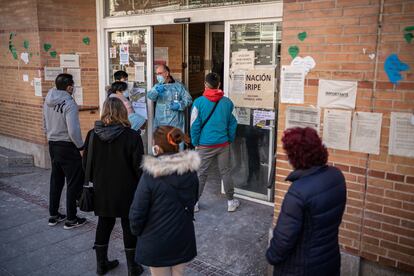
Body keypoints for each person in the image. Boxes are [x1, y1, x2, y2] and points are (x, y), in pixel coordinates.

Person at [266, 127, 347, 276]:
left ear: (295, 156)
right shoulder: (337, 176)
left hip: (300, 268)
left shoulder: (298, 192)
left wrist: (271, 256)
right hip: (330, 261)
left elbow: (284, 239)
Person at [83, 97, 145, 275]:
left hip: (102, 189)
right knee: (128, 225)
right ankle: (133, 266)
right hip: (127, 189)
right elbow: (139, 167)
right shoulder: (132, 136)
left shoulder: (92, 135)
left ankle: (101, 264)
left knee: (104, 223)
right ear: (123, 112)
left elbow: (85, 163)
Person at [129, 126, 199, 276]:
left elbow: (137, 211)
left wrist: (137, 231)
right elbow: (193, 198)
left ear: (157, 147)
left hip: (156, 241)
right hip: (182, 236)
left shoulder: (150, 175)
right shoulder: (191, 171)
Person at [190, 72, 239, 212]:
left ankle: (194, 203)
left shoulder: (198, 102)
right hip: (223, 144)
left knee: (201, 174)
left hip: (204, 145)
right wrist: (229, 139)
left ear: (205, 85)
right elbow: (233, 123)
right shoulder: (228, 102)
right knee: (226, 172)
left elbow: (194, 125)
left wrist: (195, 142)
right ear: (219, 85)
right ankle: (230, 202)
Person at [43, 73, 86, 229]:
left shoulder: (48, 100)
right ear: (69, 87)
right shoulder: (70, 103)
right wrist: (81, 146)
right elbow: (73, 130)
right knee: (73, 182)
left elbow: (44, 123)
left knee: (56, 180)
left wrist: (49, 137)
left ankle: (53, 215)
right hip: (67, 146)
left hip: (53, 144)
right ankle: (71, 219)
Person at [147, 65, 192, 132]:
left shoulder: (179, 86)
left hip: (175, 123)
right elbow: (150, 96)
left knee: (176, 141)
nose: (158, 76)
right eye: (156, 74)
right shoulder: (157, 86)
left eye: (160, 73)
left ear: (167, 73)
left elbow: (188, 100)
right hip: (160, 122)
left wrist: (179, 105)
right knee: (162, 141)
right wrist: (156, 91)